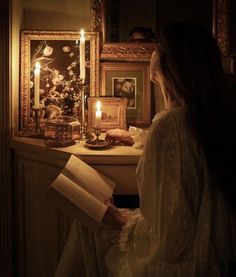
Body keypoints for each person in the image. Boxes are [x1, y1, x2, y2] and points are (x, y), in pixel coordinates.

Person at [55, 22, 236, 276]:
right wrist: (135, 136)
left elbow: (171, 237)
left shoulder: (171, 124)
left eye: (159, 47)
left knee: (86, 226)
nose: (153, 52)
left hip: (179, 262)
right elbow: (184, 149)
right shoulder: (208, 115)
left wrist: (120, 222)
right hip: (210, 250)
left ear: (170, 64)